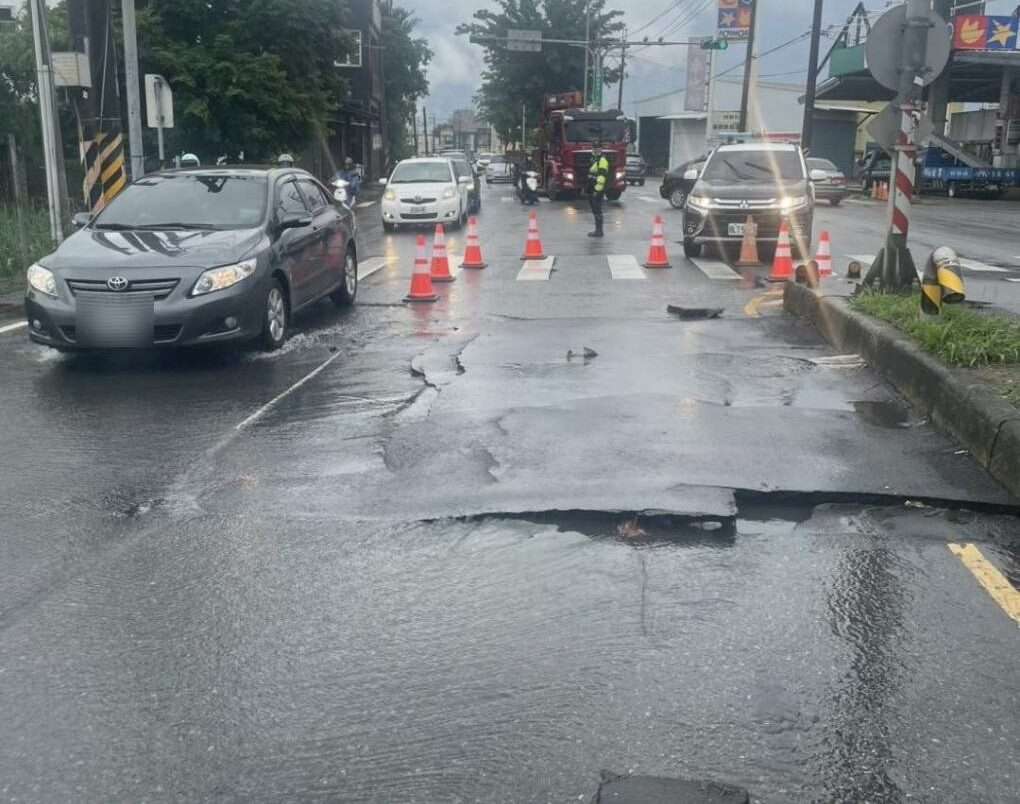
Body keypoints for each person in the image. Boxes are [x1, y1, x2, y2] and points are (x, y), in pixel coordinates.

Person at [587, 142, 610, 238]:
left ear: (601, 149)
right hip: (592, 187)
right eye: (594, 148)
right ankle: (597, 230)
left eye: (598, 148)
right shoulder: (594, 158)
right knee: (595, 209)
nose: (596, 150)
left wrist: (597, 191)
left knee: (597, 209)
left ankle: (599, 231)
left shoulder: (602, 160)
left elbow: (601, 177)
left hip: (598, 189)